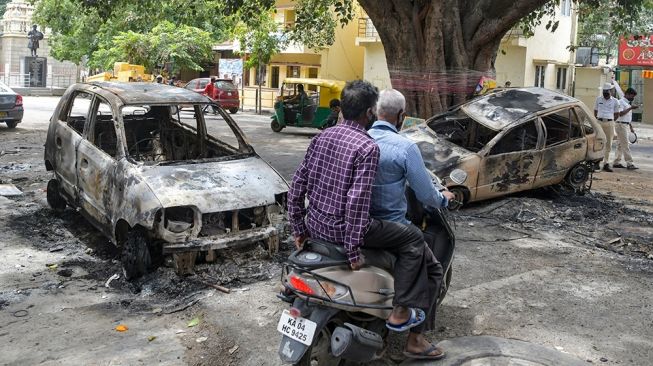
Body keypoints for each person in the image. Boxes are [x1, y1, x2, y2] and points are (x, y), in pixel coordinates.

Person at [287, 80, 445, 361]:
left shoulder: (321, 137)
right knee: (413, 239)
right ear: (370, 112)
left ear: (342, 107)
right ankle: (402, 313)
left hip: (316, 227)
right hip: (346, 232)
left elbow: (297, 186)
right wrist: (352, 251)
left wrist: (299, 228)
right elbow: (357, 204)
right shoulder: (366, 146)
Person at [368, 89, 454, 360]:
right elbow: (425, 194)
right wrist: (445, 198)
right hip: (391, 227)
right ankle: (415, 340)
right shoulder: (405, 147)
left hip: (355, 225)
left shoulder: (360, 140)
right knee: (433, 270)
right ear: (402, 117)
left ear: (374, 112)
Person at [612, 81, 639, 170]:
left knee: (620, 144)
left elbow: (627, 117)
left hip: (625, 125)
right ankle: (629, 163)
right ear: (627, 94)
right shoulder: (621, 102)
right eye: (632, 96)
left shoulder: (627, 103)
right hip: (620, 125)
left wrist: (631, 127)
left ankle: (616, 162)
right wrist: (631, 108)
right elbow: (620, 114)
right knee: (625, 144)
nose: (633, 98)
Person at [594, 83, 620, 172]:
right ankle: (596, 163)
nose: (605, 93)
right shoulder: (598, 99)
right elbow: (595, 111)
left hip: (609, 123)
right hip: (599, 122)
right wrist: (598, 120)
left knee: (608, 144)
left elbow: (617, 114)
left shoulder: (615, 101)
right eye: (604, 92)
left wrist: (611, 121)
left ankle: (606, 163)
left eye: (607, 92)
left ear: (611, 91)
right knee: (598, 143)